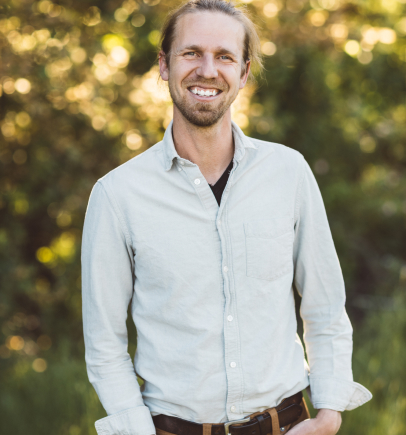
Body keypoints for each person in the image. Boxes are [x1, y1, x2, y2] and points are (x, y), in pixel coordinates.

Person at [81, 1, 372, 434]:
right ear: (164, 64)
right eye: (191, 53)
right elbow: (105, 343)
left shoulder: (288, 172)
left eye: (224, 56)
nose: (207, 70)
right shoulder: (117, 195)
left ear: (244, 71)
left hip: (289, 424)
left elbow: (324, 307)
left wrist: (328, 414)